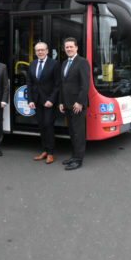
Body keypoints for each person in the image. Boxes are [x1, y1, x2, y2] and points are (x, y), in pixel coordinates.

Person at [27, 42, 61, 164]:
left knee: (48, 125)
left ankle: (51, 153)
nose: (40, 52)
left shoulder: (54, 64)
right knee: (41, 126)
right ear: (35, 52)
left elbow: (58, 85)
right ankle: (45, 151)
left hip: (49, 102)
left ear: (47, 51)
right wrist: (30, 100)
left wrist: (51, 100)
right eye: (37, 50)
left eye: (42, 50)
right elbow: (29, 84)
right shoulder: (33, 64)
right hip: (36, 102)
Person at [59, 37, 90, 171]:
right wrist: (61, 102)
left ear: (76, 48)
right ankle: (74, 156)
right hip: (67, 104)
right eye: (67, 47)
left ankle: (78, 160)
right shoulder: (65, 62)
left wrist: (80, 102)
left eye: (71, 47)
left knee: (78, 133)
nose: (69, 49)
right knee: (72, 132)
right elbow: (62, 85)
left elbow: (85, 85)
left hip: (77, 105)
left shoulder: (82, 62)